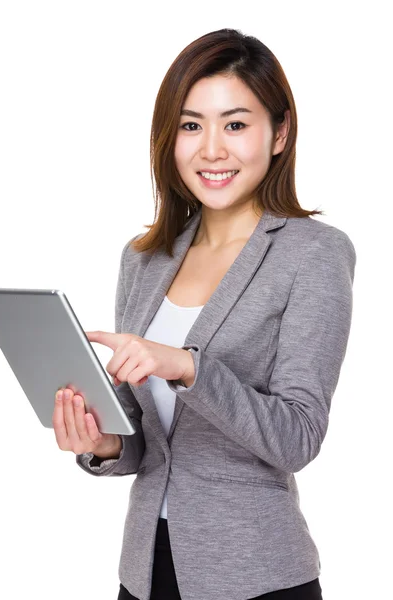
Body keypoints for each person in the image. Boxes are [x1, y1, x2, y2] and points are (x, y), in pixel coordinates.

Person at [53, 28, 356, 600]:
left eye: (235, 124)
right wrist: (105, 443)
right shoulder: (145, 259)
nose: (211, 148)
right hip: (143, 573)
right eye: (192, 125)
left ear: (280, 133)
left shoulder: (314, 254)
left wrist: (189, 367)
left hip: (256, 577)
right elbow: (148, 442)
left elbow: (298, 437)